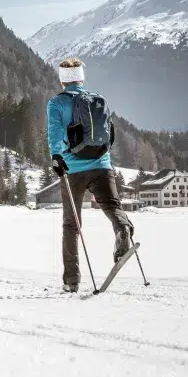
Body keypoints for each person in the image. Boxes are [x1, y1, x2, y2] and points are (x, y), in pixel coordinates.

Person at [47, 58, 134, 293]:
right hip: (102, 165)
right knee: (112, 206)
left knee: (71, 225)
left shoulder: (57, 103)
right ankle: (122, 230)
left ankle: (71, 280)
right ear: (81, 77)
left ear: (62, 79)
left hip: (73, 169)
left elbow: (55, 133)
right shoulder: (98, 100)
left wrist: (56, 156)